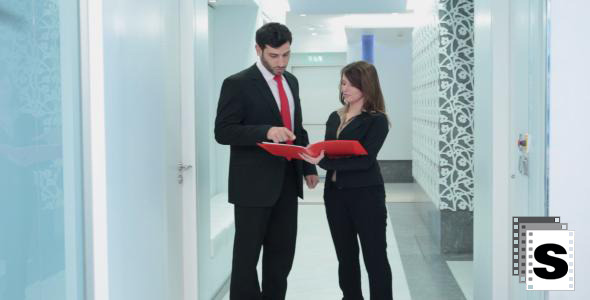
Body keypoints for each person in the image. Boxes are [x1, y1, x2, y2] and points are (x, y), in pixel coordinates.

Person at [214, 22, 319, 300]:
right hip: (252, 186)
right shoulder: (237, 84)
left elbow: (298, 127)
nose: (281, 62)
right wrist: (266, 131)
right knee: (246, 260)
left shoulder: (291, 82)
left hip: (287, 181)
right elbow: (223, 132)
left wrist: (308, 165)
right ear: (258, 49)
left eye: (286, 55)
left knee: (281, 255)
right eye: (274, 56)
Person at [300, 61, 393, 300]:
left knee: (375, 256)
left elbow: (364, 161)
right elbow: (328, 150)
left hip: (366, 196)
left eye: (352, 84)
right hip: (334, 195)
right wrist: (314, 156)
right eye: (343, 83)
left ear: (367, 86)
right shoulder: (335, 116)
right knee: (346, 255)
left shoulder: (377, 120)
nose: (345, 88)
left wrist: (324, 162)